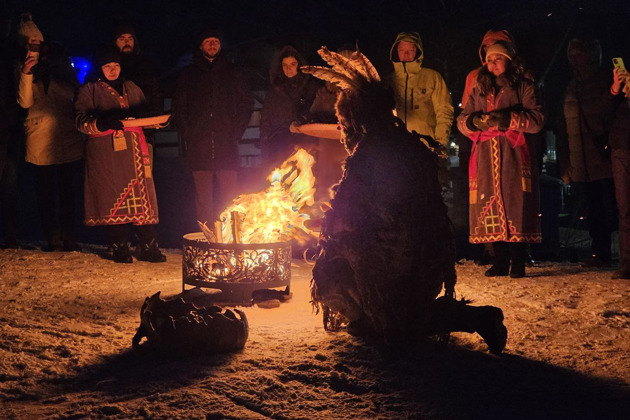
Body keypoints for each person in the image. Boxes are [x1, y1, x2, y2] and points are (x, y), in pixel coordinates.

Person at [304, 47, 507, 355]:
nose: (342, 132)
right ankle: (384, 317)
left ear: (358, 120)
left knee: (327, 273)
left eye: (343, 124)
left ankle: (462, 318)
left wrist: (325, 226)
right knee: (397, 309)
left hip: (395, 265)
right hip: (430, 266)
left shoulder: (368, 155)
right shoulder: (409, 143)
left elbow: (348, 221)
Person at [457, 42, 544, 278]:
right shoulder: (479, 87)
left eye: (498, 59)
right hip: (486, 153)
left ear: (509, 60)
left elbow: (537, 119)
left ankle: (518, 260)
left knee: (515, 202)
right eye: (489, 60)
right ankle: (500, 259)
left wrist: (506, 119)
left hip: (514, 152)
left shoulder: (523, 84)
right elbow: (463, 118)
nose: (492, 64)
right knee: (489, 202)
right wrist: (474, 122)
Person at [74, 47, 166, 263]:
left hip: (136, 148)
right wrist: (102, 121)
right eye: (107, 66)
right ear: (100, 68)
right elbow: (80, 121)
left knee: (144, 196)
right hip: (107, 153)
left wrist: (158, 121)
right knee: (113, 196)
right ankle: (119, 246)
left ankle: (149, 245)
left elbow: (145, 112)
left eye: (115, 65)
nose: (112, 70)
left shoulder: (131, 87)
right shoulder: (89, 89)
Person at [16, 14, 83, 252]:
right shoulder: (21, 67)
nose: (34, 48)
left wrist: (57, 70)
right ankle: (52, 237)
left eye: (37, 44)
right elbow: (24, 102)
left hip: (66, 136)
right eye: (30, 44)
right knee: (46, 192)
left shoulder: (58, 63)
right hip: (41, 139)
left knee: (68, 192)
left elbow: (74, 94)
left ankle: (69, 236)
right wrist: (26, 74)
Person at [172, 29, 252, 226]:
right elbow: (179, 107)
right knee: (203, 200)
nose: (212, 45)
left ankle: (231, 239)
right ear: (201, 46)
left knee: (230, 199)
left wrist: (236, 132)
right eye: (208, 41)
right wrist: (189, 133)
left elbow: (246, 104)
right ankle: (206, 238)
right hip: (199, 146)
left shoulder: (233, 73)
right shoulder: (189, 75)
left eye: (215, 41)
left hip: (227, 145)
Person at [456, 30, 517, 263]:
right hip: (481, 144)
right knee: (484, 196)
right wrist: (472, 125)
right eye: (488, 48)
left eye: (498, 47)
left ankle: (519, 251)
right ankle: (491, 250)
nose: (492, 57)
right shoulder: (476, 76)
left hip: (511, 145)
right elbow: (466, 110)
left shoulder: (519, 79)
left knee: (513, 196)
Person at [557, 38, 617, 268]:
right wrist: (566, 161)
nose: (574, 58)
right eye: (572, 53)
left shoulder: (602, 81)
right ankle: (599, 252)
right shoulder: (572, 85)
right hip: (581, 159)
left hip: (602, 157)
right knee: (593, 207)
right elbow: (563, 127)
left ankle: (606, 251)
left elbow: (609, 114)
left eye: (579, 53)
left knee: (608, 207)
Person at [260, 45, 319, 173]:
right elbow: (266, 120)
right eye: (284, 65)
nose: (288, 69)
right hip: (279, 147)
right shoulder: (274, 92)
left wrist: (300, 123)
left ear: (299, 65)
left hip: (306, 147)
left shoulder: (310, 88)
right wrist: (265, 149)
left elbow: (317, 112)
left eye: (292, 64)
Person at [389, 31, 453, 147]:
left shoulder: (432, 77)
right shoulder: (388, 80)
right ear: (396, 52)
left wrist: (440, 143)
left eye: (411, 50)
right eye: (402, 50)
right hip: (395, 148)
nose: (406, 54)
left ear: (418, 52)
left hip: (426, 146)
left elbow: (444, 111)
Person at [609, 64, 630, 278]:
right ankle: (627, 263)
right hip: (622, 149)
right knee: (624, 208)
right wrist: (616, 88)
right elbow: (604, 116)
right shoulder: (621, 97)